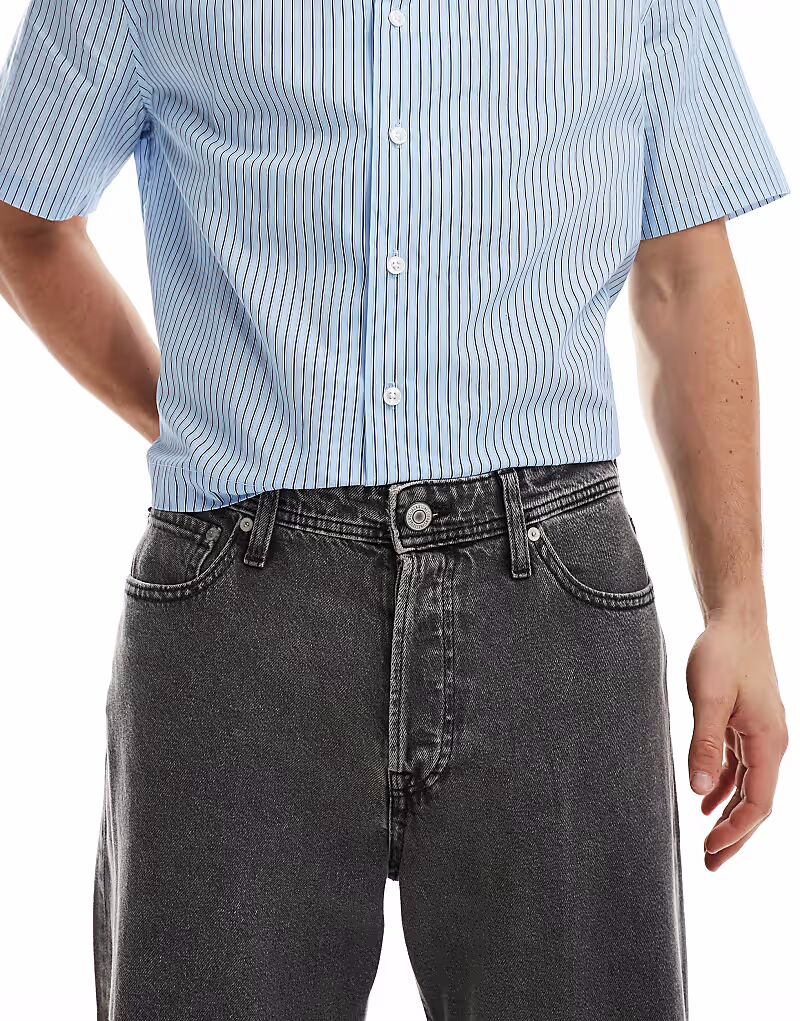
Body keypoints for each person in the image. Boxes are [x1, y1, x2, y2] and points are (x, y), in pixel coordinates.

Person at [0, 1, 790, 1018]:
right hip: (240, 618)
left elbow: (684, 272)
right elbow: (24, 217)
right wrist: (196, 409)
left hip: (552, 607)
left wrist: (738, 607)